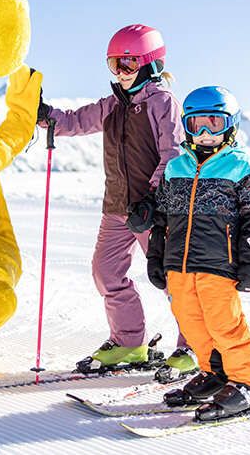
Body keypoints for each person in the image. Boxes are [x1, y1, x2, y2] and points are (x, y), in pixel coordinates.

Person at [38, 24, 196, 374]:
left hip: (154, 210)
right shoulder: (111, 105)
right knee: (106, 271)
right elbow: (74, 121)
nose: (121, 74)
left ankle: (192, 347)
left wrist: (153, 199)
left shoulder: (162, 103)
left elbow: (173, 155)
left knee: (173, 278)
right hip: (117, 209)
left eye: (127, 65)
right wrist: (44, 114)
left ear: (150, 65)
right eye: (114, 65)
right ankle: (129, 342)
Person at [147, 86, 250, 418]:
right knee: (191, 321)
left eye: (213, 124)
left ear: (230, 125)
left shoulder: (243, 167)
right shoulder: (176, 167)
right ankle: (214, 374)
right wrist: (155, 255)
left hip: (220, 262)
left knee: (224, 323)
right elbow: (162, 218)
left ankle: (249, 383)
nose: (204, 133)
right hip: (179, 264)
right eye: (196, 124)